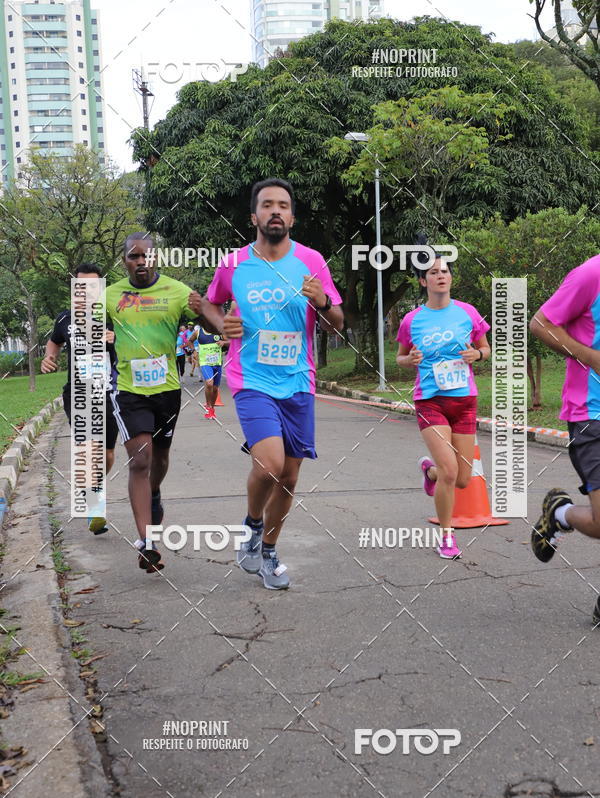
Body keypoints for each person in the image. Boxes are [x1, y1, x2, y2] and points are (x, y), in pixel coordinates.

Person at [202, 178, 344, 589]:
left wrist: (323, 302)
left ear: (293, 217)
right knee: (269, 464)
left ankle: (268, 551)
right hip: (252, 378)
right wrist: (221, 323)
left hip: (298, 380)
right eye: (267, 205)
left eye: (283, 205)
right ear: (255, 216)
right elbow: (212, 303)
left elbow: (337, 323)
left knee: (291, 477)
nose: (276, 211)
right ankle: (250, 525)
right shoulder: (233, 265)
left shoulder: (312, 261)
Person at [106, 233, 202, 573]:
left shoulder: (176, 291)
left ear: (156, 258)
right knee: (140, 459)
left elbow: (206, 318)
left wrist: (212, 313)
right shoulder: (108, 296)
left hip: (167, 390)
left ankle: (154, 493)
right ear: (124, 261)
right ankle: (147, 542)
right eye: (133, 257)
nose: (140, 261)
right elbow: (86, 333)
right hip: (129, 390)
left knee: (160, 456)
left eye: (146, 256)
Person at [396, 253, 490, 559]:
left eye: (445, 271)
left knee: (461, 479)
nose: (441, 276)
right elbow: (400, 356)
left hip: (464, 401)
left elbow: (485, 347)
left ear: (450, 278)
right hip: (430, 401)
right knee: (452, 470)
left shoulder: (467, 313)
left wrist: (478, 355)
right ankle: (447, 537)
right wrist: (408, 360)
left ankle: (431, 473)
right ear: (424, 281)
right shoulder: (412, 320)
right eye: (434, 272)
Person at [529, 254, 600, 625]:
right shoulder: (591, 274)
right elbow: (541, 324)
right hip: (592, 412)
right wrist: (592, 357)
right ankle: (558, 513)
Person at [41, 263, 118, 536]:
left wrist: (114, 337)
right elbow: (54, 342)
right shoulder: (65, 318)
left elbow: (134, 342)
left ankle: (91, 487)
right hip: (77, 392)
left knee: (107, 453)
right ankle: (95, 506)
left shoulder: (111, 315)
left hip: (108, 391)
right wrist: (49, 358)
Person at [188, 325, 225, 419]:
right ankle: (208, 407)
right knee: (209, 383)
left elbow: (231, 342)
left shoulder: (219, 330)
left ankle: (212, 408)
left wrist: (224, 342)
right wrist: (194, 352)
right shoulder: (198, 332)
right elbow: (190, 341)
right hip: (205, 363)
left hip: (217, 363)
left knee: (215, 388)